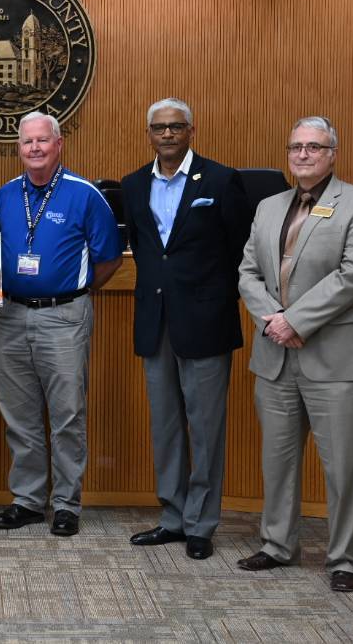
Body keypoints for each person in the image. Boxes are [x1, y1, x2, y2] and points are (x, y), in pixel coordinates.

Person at [236, 116, 353, 593]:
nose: (303, 154)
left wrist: (294, 320)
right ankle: (278, 545)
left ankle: (345, 559)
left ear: (332, 153)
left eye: (314, 147)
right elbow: (246, 271)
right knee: (277, 461)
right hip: (276, 356)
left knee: (344, 466)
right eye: (296, 146)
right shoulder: (267, 207)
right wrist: (272, 319)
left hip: (337, 358)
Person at [119, 98, 252, 560]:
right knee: (167, 426)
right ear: (149, 134)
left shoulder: (220, 180)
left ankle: (201, 523)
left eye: (176, 127)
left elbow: (239, 249)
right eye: (159, 128)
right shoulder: (134, 185)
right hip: (156, 323)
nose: (168, 135)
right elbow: (147, 250)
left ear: (192, 129)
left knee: (206, 427)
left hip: (206, 321)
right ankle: (172, 517)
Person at [0, 112, 122, 537]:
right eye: (27, 142)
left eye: (42, 141)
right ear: (19, 148)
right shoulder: (5, 196)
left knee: (67, 414)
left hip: (65, 317)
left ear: (58, 144)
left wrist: (74, 292)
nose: (35, 149)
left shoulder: (85, 196)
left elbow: (109, 259)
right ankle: (28, 500)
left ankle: (66, 503)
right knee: (19, 414)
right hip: (10, 315)